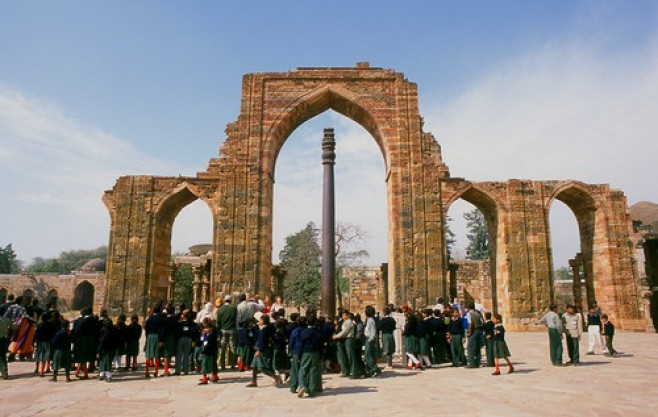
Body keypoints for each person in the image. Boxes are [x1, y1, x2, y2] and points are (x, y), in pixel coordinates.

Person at [246, 314, 282, 388]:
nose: (259, 321)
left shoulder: (265, 329)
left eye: (260, 320)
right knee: (255, 366)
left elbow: (264, 341)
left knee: (262, 367)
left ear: (263, 320)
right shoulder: (268, 327)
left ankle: (276, 377)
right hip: (261, 348)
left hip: (263, 350)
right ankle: (254, 381)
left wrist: (259, 350)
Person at [297, 315, 323, 398]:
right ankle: (312, 390)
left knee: (303, 370)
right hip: (316, 353)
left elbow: (300, 344)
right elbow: (321, 345)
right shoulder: (318, 332)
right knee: (314, 371)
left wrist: (299, 355)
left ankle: (303, 386)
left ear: (307, 322)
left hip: (306, 352)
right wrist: (321, 355)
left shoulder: (304, 332)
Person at [72, 307, 97, 379]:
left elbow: (76, 331)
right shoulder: (92, 320)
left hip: (81, 341)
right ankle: (78, 371)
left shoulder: (79, 321)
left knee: (82, 357)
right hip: (89, 340)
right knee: (83, 357)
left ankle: (85, 374)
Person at [215, 295, 238, 371]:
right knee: (232, 347)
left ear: (225, 300)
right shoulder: (234, 308)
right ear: (231, 300)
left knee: (222, 348)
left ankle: (222, 365)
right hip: (232, 329)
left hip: (223, 330)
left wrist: (218, 332)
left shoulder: (220, 309)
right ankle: (232, 365)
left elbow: (218, 323)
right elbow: (236, 320)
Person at [34, 311, 57, 376]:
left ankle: (36, 368)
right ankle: (43, 370)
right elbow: (53, 334)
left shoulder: (39, 325)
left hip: (40, 342)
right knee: (46, 355)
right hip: (48, 342)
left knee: (38, 354)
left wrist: (34, 341)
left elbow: (36, 334)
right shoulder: (51, 324)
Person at [332, 310, 355, 377]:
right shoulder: (345, 322)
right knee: (348, 356)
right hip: (346, 339)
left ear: (347, 315)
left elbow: (344, 332)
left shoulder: (348, 322)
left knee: (350, 356)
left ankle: (353, 372)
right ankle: (349, 371)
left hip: (349, 338)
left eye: (344, 315)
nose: (343, 317)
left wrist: (336, 336)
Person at [144, 304, 164, 378]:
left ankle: (147, 371)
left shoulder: (149, 318)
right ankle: (156, 371)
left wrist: (147, 337)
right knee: (157, 355)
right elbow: (161, 330)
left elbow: (146, 329)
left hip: (149, 336)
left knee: (148, 354)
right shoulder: (160, 318)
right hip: (156, 336)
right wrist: (161, 340)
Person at [198, 317, 219, 385]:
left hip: (209, 351)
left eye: (206, 328)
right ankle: (211, 376)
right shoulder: (209, 334)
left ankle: (208, 377)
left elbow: (209, 344)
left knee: (206, 365)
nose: (205, 329)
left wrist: (204, 351)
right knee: (208, 364)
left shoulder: (212, 334)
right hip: (208, 351)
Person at [288, 316, 306, 394]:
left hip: (296, 351)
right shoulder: (306, 331)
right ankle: (304, 385)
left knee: (295, 370)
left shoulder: (295, 331)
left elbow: (291, 342)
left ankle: (293, 387)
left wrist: (291, 351)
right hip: (305, 352)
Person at [98, 318, 118, 382]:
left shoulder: (106, 332)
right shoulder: (114, 330)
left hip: (105, 350)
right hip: (112, 349)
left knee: (105, 363)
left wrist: (98, 350)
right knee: (106, 362)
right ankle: (102, 374)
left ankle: (108, 376)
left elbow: (102, 342)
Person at [363, 305, 381, 377]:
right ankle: (370, 371)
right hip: (368, 338)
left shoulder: (371, 320)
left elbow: (373, 332)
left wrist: (370, 340)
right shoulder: (369, 320)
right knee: (369, 355)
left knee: (368, 355)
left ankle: (375, 369)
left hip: (370, 339)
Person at [175, 310, 194, 375]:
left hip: (180, 339)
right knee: (186, 355)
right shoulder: (190, 323)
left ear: (183, 316)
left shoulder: (179, 324)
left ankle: (178, 370)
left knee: (179, 355)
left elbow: (177, 332)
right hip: (188, 339)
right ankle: (185, 370)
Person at [466, 302, 484, 368]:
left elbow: (470, 324)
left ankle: (471, 363)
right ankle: (477, 362)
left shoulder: (469, 314)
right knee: (477, 347)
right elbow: (482, 322)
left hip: (473, 330)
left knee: (471, 347)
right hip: (479, 330)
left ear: (468, 308)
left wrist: (469, 333)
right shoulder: (478, 313)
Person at [0, 315, 10, 379]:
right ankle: (5, 373)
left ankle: (4, 373)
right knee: (2, 356)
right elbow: (15, 325)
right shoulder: (5, 320)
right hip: (2, 339)